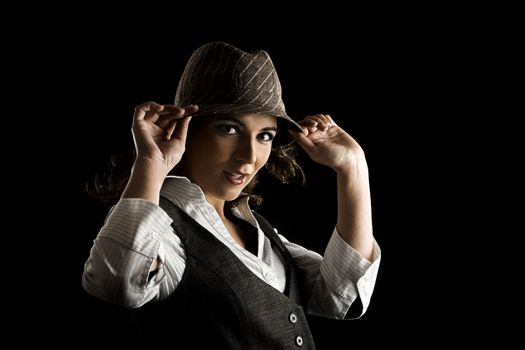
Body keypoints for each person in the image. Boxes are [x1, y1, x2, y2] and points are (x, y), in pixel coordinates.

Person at [82, 41, 381, 349]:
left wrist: (353, 169)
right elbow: (114, 282)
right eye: (229, 129)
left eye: (264, 136)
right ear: (187, 128)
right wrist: (151, 164)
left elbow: (340, 296)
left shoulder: (257, 230)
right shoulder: (162, 229)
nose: (249, 156)